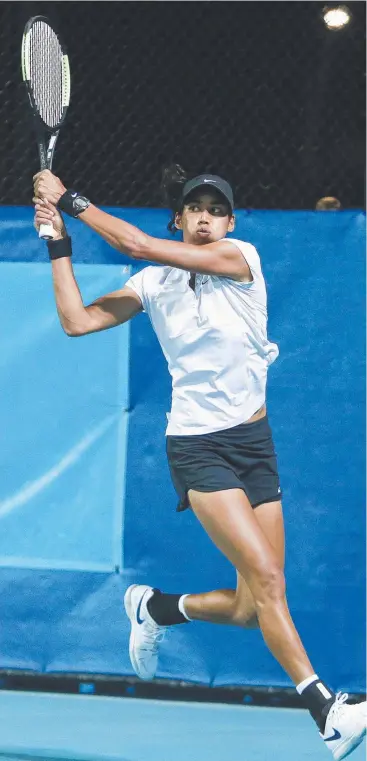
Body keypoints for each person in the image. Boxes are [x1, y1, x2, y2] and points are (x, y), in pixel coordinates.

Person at [33, 166, 365, 760]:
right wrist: (58, 241)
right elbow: (77, 321)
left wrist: (71, 200)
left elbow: (134, 240)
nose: (207, 217)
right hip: (197, 447)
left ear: (230, 224)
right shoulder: (153, 283)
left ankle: (156, 607)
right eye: (196, 209)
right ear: (180, 220)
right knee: (268, 581)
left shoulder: (242, 260)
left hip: (255, 446)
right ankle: (326, 710)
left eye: (217, 209)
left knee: (248, 607)